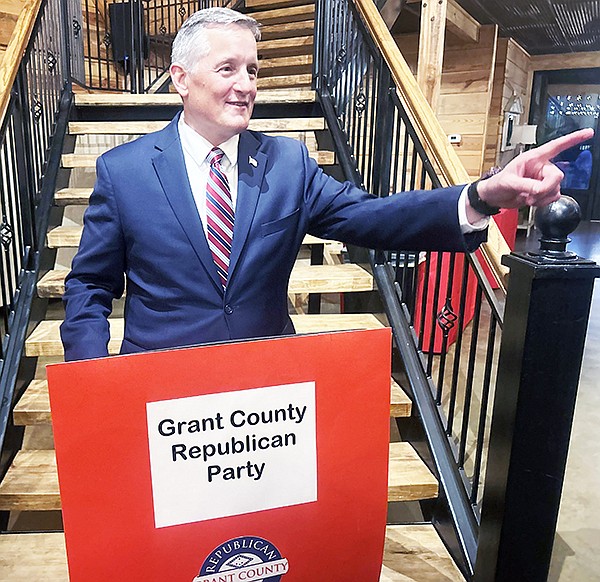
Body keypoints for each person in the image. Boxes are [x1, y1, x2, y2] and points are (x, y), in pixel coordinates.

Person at [59, 8, 593, 362]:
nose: (247, 85)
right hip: (158, 386)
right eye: (228, 69)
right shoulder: (124, 171)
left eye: (253, 69)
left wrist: (481, 195)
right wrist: (92, 370)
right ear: (181, 79)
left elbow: (372, 218)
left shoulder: (287, 163)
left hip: (266, 391)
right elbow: (89, 285)